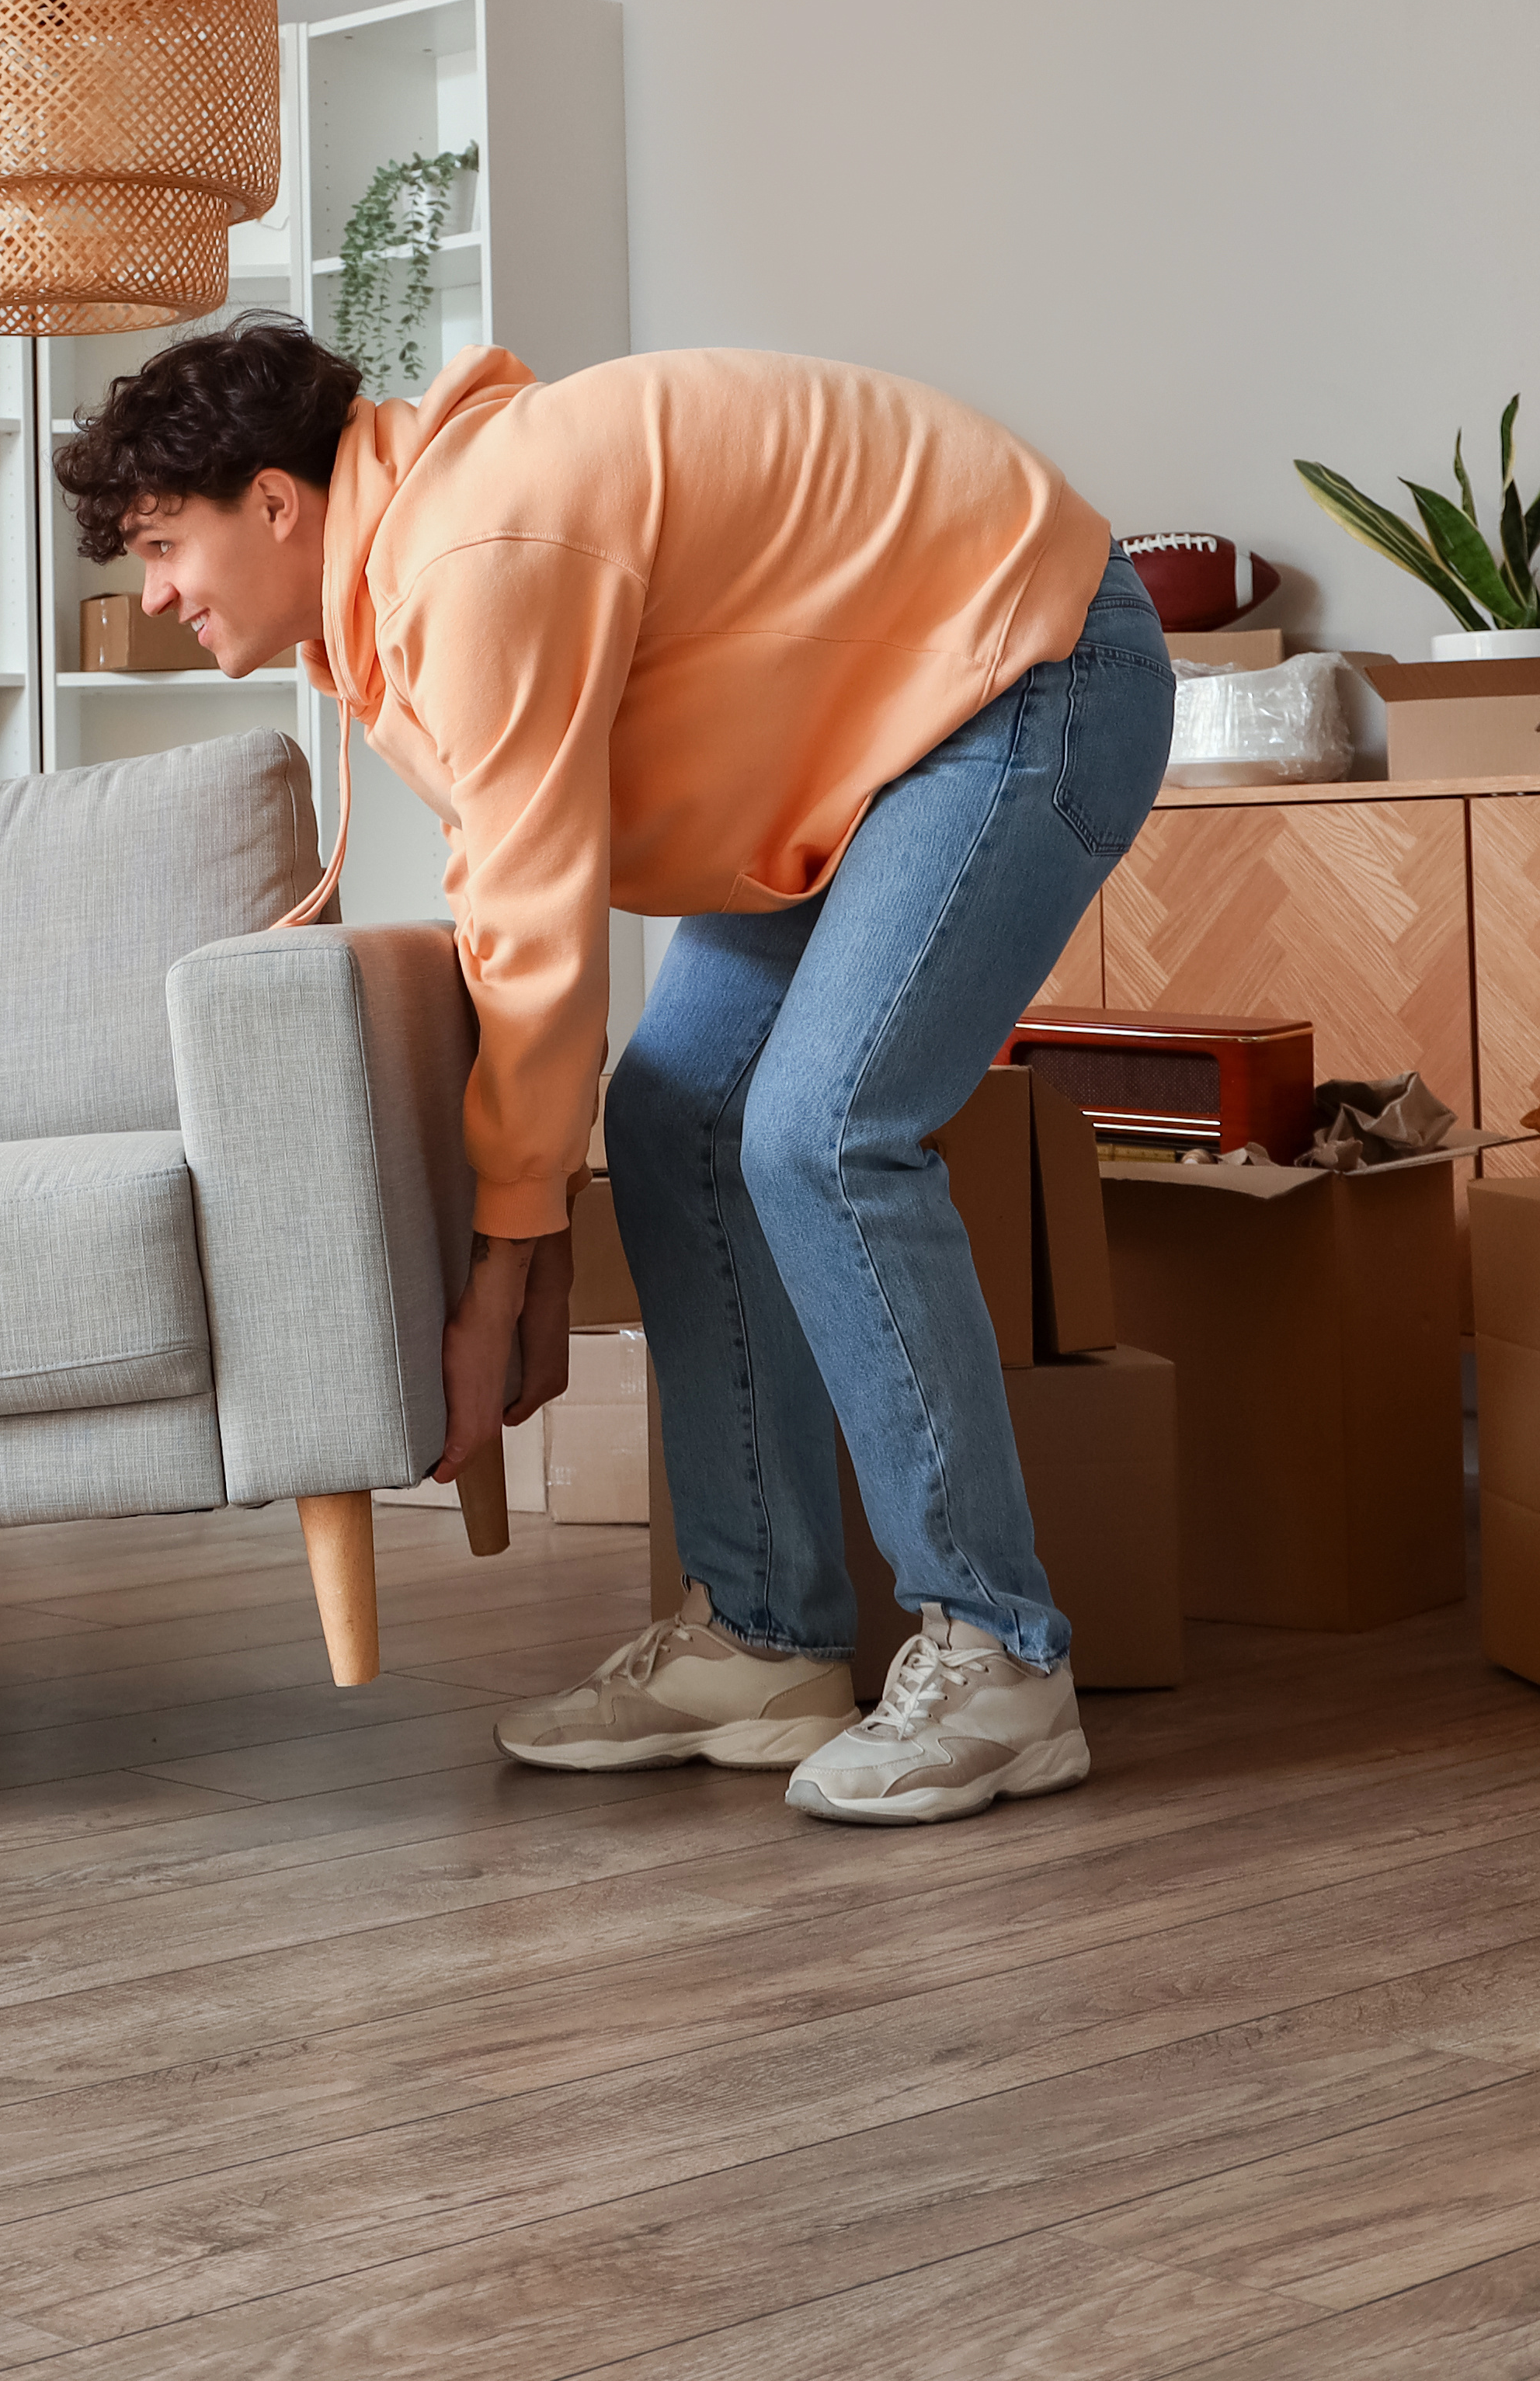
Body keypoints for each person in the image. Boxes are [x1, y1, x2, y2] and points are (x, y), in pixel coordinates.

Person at [59, 321, 1169, 1826]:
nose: (158, 594)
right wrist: (514, 1242)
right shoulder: (399, 597)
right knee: (673, 1120)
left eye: (162, 544)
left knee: (820, 1134)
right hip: (856, 748)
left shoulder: (473, 548)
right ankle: (763, 1635)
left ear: (275, 500)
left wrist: (506, 1270)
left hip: (1021, 674)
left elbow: (534, 923)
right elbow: (503, 887)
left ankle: (999, 1655)